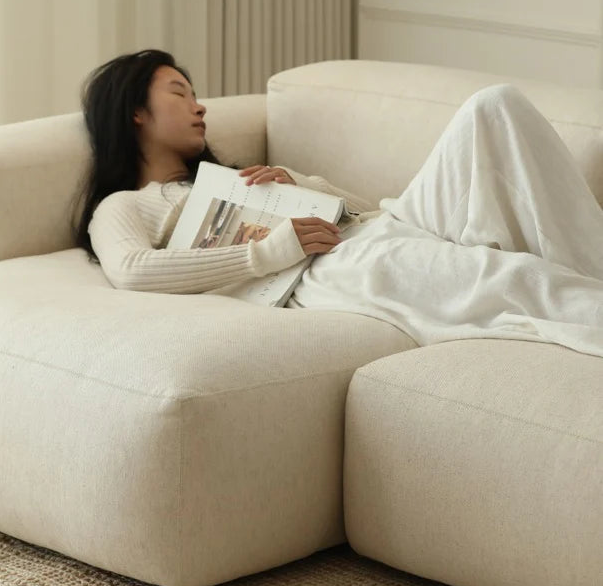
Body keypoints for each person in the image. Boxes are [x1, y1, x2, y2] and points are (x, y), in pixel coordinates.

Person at [72, 49, 603, 358]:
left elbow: (366, 210)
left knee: (495, 107)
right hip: (326, 267)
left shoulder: (228, 179)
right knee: (505, 275)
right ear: (135, 112)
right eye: (179, 92)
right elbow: (133, 270)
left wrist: (302, 185)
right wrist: (268, 252)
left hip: (379, 222)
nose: (199, 104)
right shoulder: (125, 205)